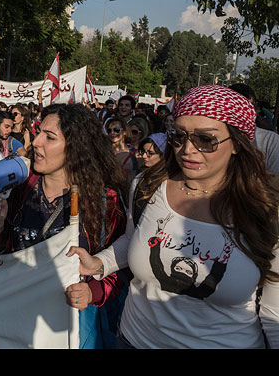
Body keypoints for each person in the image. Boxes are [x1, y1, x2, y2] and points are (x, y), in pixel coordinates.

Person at [68, 85, 279, 349]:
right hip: (133, 341)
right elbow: (133, 240)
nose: (187, 149)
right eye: (178, 136)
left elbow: (274, 312)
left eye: (205, 139)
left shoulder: (267, 208)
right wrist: (98, 264)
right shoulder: (148, 185)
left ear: (237, 143)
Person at [0, 103, 128, 348]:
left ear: (75, 147)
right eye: (38, 132)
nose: (36, 142)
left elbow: (120, 264)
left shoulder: (105, 202)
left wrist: (93, 292)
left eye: (49, 137)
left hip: (69, 326)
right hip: (15, 319)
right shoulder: (20, 189)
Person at [105, 117, 138, 183]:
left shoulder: (134, 152)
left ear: (125, 132)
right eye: (109, 131)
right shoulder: (104, 151)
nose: (112, 133)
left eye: (116, 130)